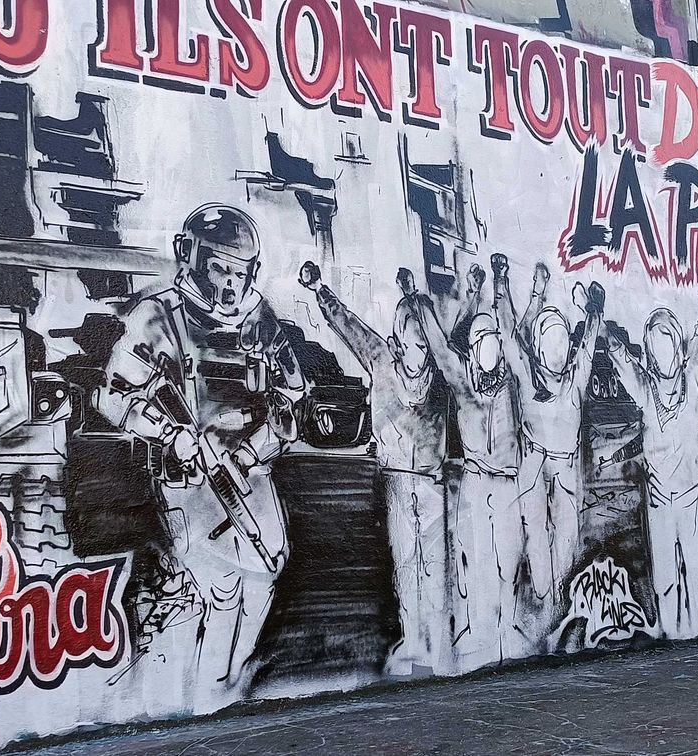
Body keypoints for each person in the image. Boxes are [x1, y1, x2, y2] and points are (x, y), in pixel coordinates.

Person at [96, 204, 307, 707]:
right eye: (219, 269)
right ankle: (205, 695)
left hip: (249, 473)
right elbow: (112, 397)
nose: (231, 284)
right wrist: (170, 434)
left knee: (266, 572)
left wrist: (254, 451)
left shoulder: (260, 320)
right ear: (188, 256)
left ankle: (229, 682)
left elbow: (293, 395)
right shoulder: (157, 316)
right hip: (189, 479)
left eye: (240, 272)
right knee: (221, 590)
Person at [301, 262, 452, 676]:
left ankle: (436, 642)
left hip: (432, 481)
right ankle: (414, 638)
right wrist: (320, 290)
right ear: (398, 342)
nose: (421, 351)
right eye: (414, 341)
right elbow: (348, 325)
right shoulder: (382, 359)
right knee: (406, 563)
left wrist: (413, 294)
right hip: (399, 480)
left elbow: (450, 331)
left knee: (434, 564)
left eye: (425, 343)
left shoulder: (439, 371)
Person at [602, 281, 698, 639]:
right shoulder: (645, 388)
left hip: (690, 495)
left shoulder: (695, 378)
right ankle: (670, 631)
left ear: (678, 347)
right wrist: (598, 319)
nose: (663, 352)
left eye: (668, 342)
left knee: (695, 569)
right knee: (666, 578)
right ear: (651, 354)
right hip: (659, 501)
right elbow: (621, 358)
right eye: (655, 346)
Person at [429, 255, 529, 669]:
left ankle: (507, 627)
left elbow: (511, 328)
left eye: (493, 340)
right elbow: (442, 347)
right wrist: (423, 302)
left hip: (506, 482)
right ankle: (479, 632)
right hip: (475, 481)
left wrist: (500, 283)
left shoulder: (513, 379)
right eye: (480, 340)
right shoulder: (463, 382)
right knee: (475, 559)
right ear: (471, 350)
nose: (489, 346)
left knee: (509, 557)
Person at [509, 262, 604, 648]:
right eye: (551, 340)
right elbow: (511, 337)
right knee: (536, 535)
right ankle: (546, 602)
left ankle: (556, 604)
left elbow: (590, 340)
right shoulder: (526, 376)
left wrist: (592, 309)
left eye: (563, 340)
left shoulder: (575, 379)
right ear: (539, 346)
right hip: (534, 466)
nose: (559, 349)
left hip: (565, 468)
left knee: (566, 538)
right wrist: (530, 290)